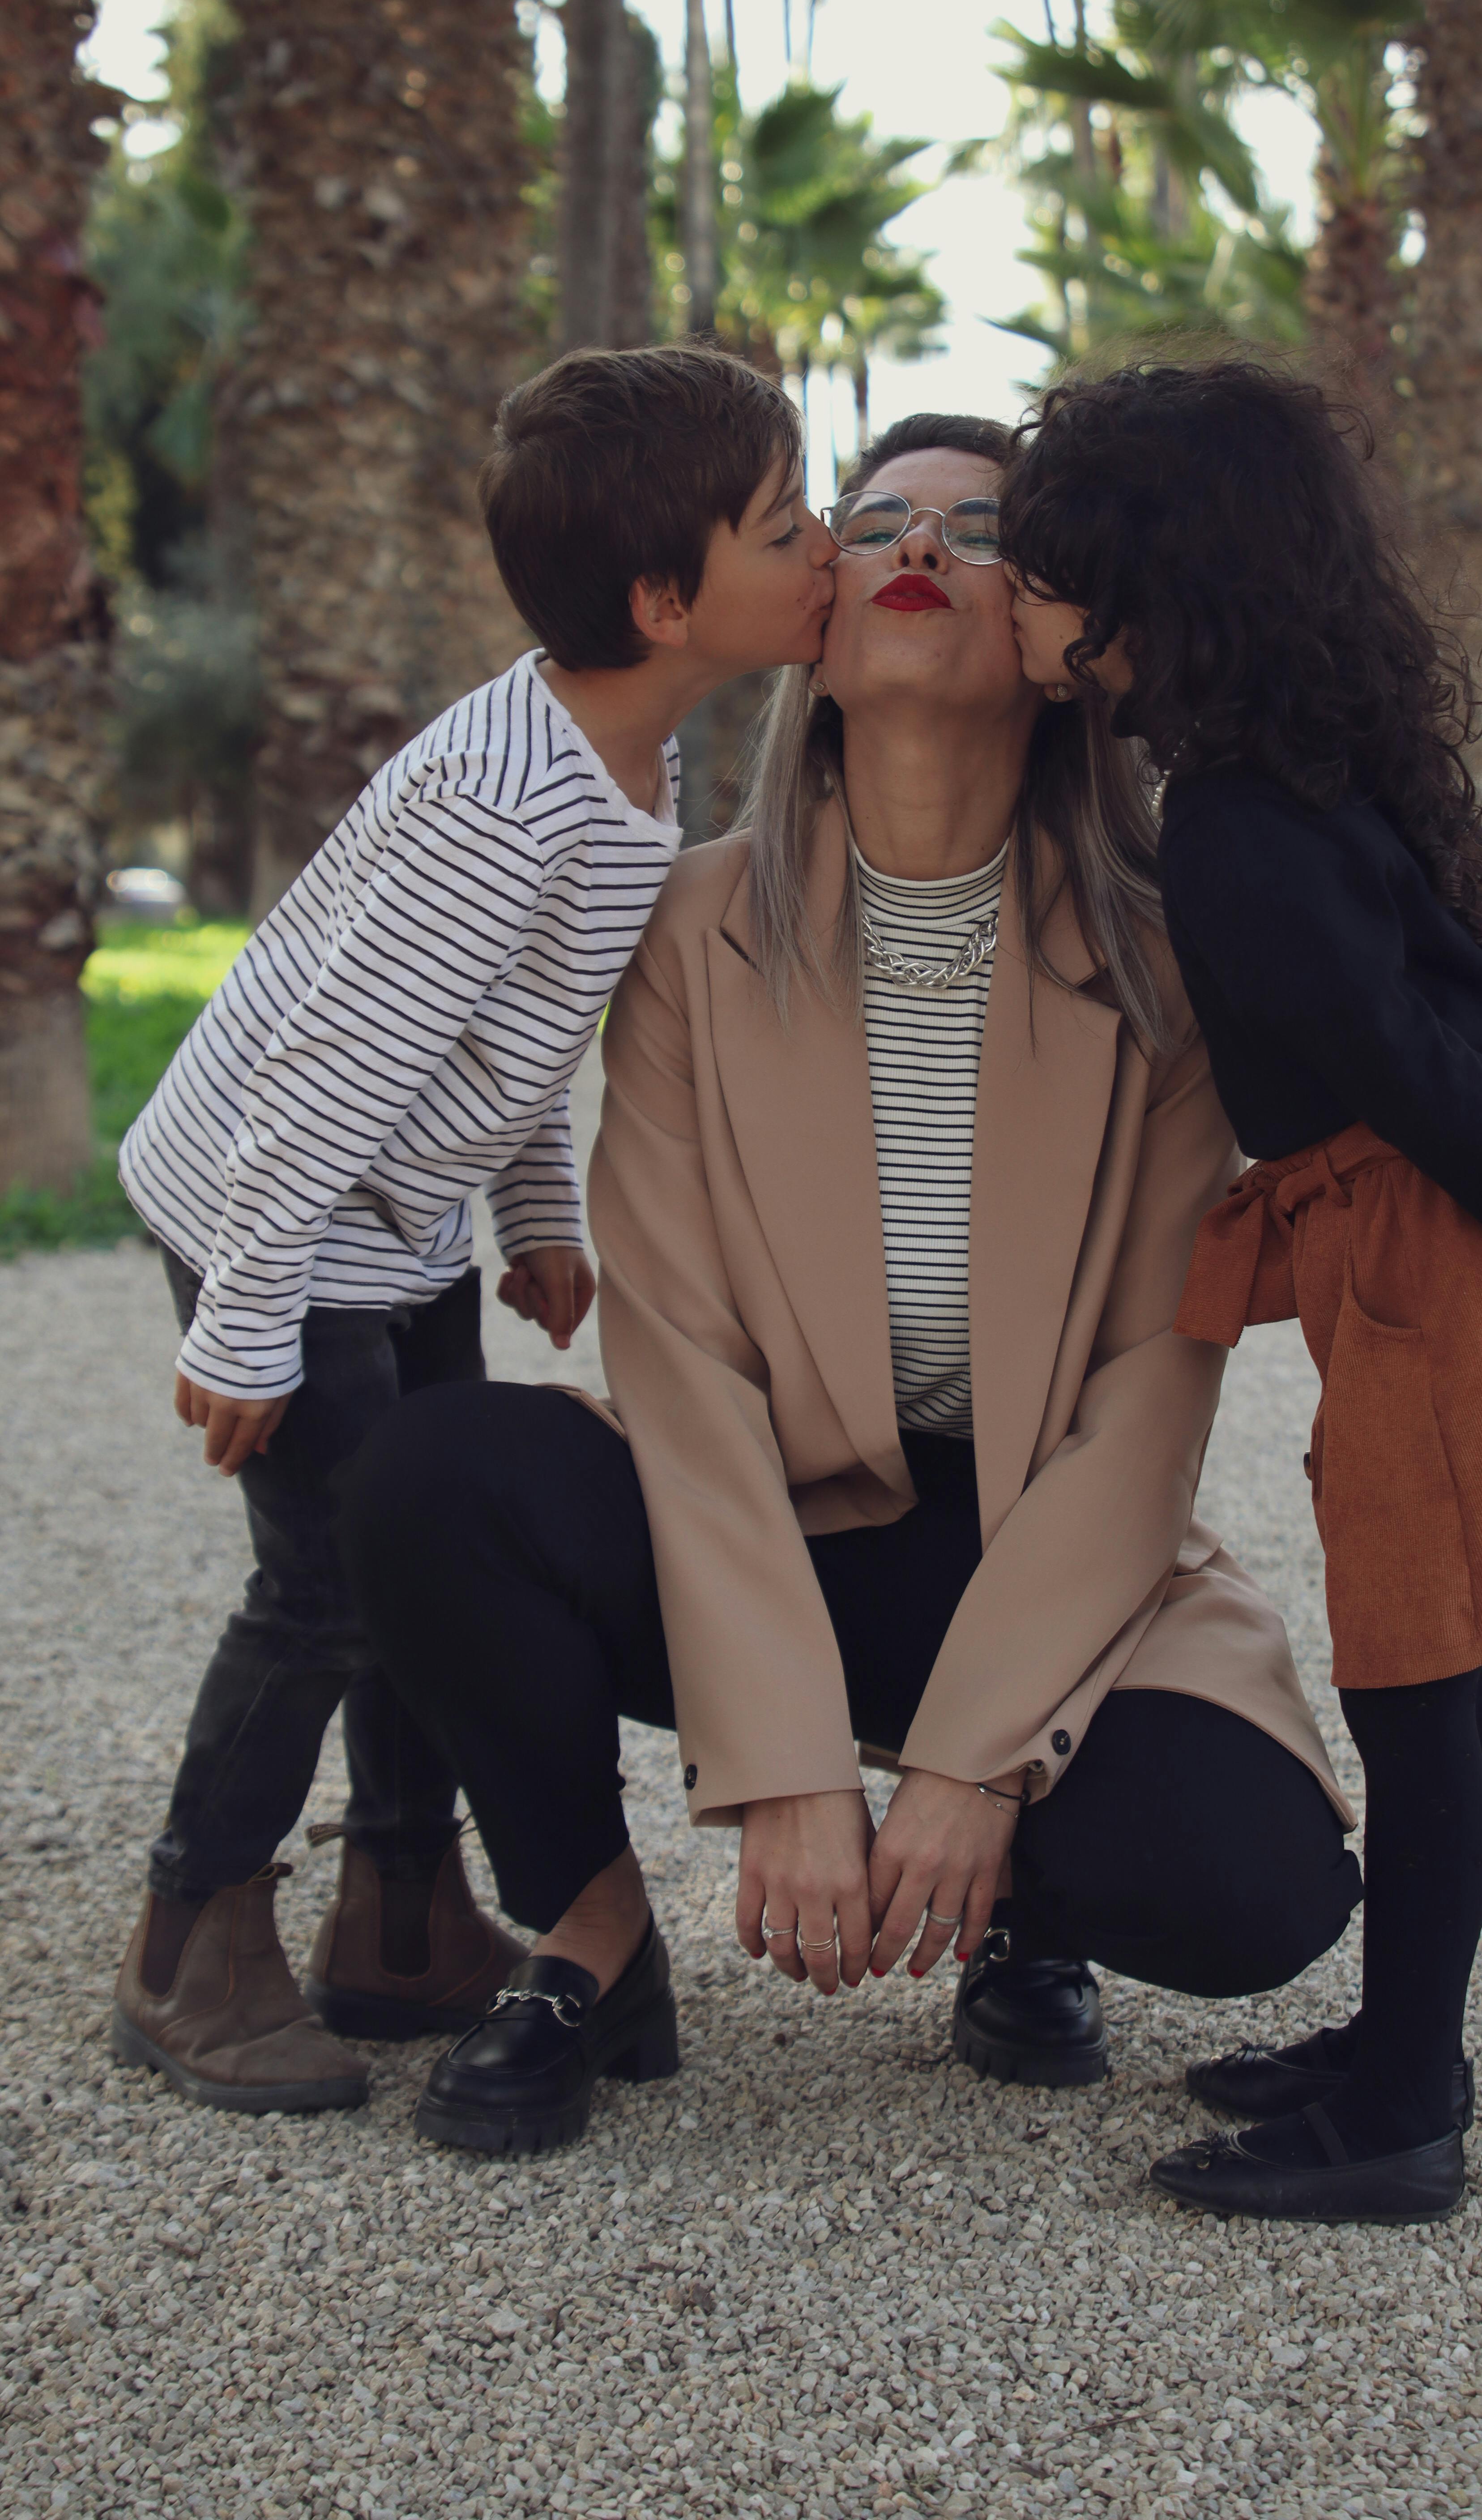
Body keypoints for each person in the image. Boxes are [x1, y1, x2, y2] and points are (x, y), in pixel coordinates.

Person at [338, 412, 1366, 2159]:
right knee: (433, 1480)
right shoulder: (686, 933)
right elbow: (675, 1354)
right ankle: (591, 1943)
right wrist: (787, 1769)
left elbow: (1147, 1394)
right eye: (871, 517)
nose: (912, 544)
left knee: (1248, 1886)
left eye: (977, 534)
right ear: (813, 625)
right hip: (772, 1528)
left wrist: (968, 1771)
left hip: (1031, 1536)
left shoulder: (1165, 959)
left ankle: (1027, 1912)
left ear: (1057, 646)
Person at [999, 353, 1482, 2224]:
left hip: (1443, 1228)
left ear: (1158, 603)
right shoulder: (1325, 749)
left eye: (1054, 579)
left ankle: (1404, 2105)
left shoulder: (1240, 828)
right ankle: (1400, 2043)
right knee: (1437, 1670)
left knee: (1415, 1673)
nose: (1035, 611)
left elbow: (1418, 1083)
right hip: (1471, 1191)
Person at [110, 342, 837, 2116]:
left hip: (395, 1221)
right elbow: (324, 1069)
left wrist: (527, 1210)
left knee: (417, 1557)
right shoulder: (508, 806)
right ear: (669, 600)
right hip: (272, 1209)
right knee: (326, 1583)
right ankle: (185, 1945)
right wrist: (247, 1318)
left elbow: (507, 1029)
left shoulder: (625, 762)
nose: (826, 547)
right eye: (787, 524)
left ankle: (403, 1915)